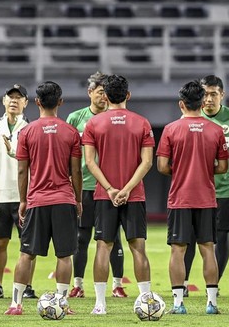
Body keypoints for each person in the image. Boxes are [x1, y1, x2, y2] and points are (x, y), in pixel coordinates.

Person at [4, 81, 82, 315]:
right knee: (65, 254)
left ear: (36, 102)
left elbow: (21, 170)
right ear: (60, 102)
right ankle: (62, 303)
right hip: (64, 200)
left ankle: (16, 304)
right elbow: (76, 171)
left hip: (37, 200)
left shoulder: (26, 132)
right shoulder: (70, 132)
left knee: (26, 254)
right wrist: (78, 199)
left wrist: (23, 200)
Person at [83, 75, 154, 315]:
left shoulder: (94, 124)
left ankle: (100, 304)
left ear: (105, 96)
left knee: (103, 246)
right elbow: (146, 163)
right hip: (134, 195)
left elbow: (90, 162)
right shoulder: (142, 122)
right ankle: (146, 301)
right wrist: (127, 189)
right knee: (138, 247)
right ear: (128, 95)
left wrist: (111, 189)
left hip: (105, 195)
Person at [157, 81, 229, 314]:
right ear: (202, 102)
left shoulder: (170, 129)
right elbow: (223, 167)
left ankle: (178, 304)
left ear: (181, 104)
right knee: (208, 248)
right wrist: (205, 169)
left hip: (180, 198)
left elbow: (162, 166)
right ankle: (212, 304)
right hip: (207, 198)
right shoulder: (216, 130)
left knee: (178, 250)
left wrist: (180, 170)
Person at [66, 72, 127, 298]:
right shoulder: (75, 118)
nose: (104, 97)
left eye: (106, 93)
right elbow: (68, 152)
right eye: (100, 92)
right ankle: (78, 285)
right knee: (81, 237)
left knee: (113, 236)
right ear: (89, 93)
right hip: (85, 186)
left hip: (111, 186)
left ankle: (118, 284)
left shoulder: (115, 118)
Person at [182, 75, 229, 297]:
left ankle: (214, 285)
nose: (208, 99)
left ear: (222, 95)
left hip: (225, 190)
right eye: (205, 94)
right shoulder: (189, 118)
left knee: (222, 237)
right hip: (195, 190)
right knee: (187, 238)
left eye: (213, 94)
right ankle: (185, 283)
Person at [0, 84, 38, 300]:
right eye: (10, 97)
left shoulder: (31, 128)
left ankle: (28, 286)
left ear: (26, 102)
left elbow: (34, 163)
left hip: (24, 195)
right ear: (3, 100)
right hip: (0, 195)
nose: (14, 101)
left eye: (19, 98)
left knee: (28, 246)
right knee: (0, 242)